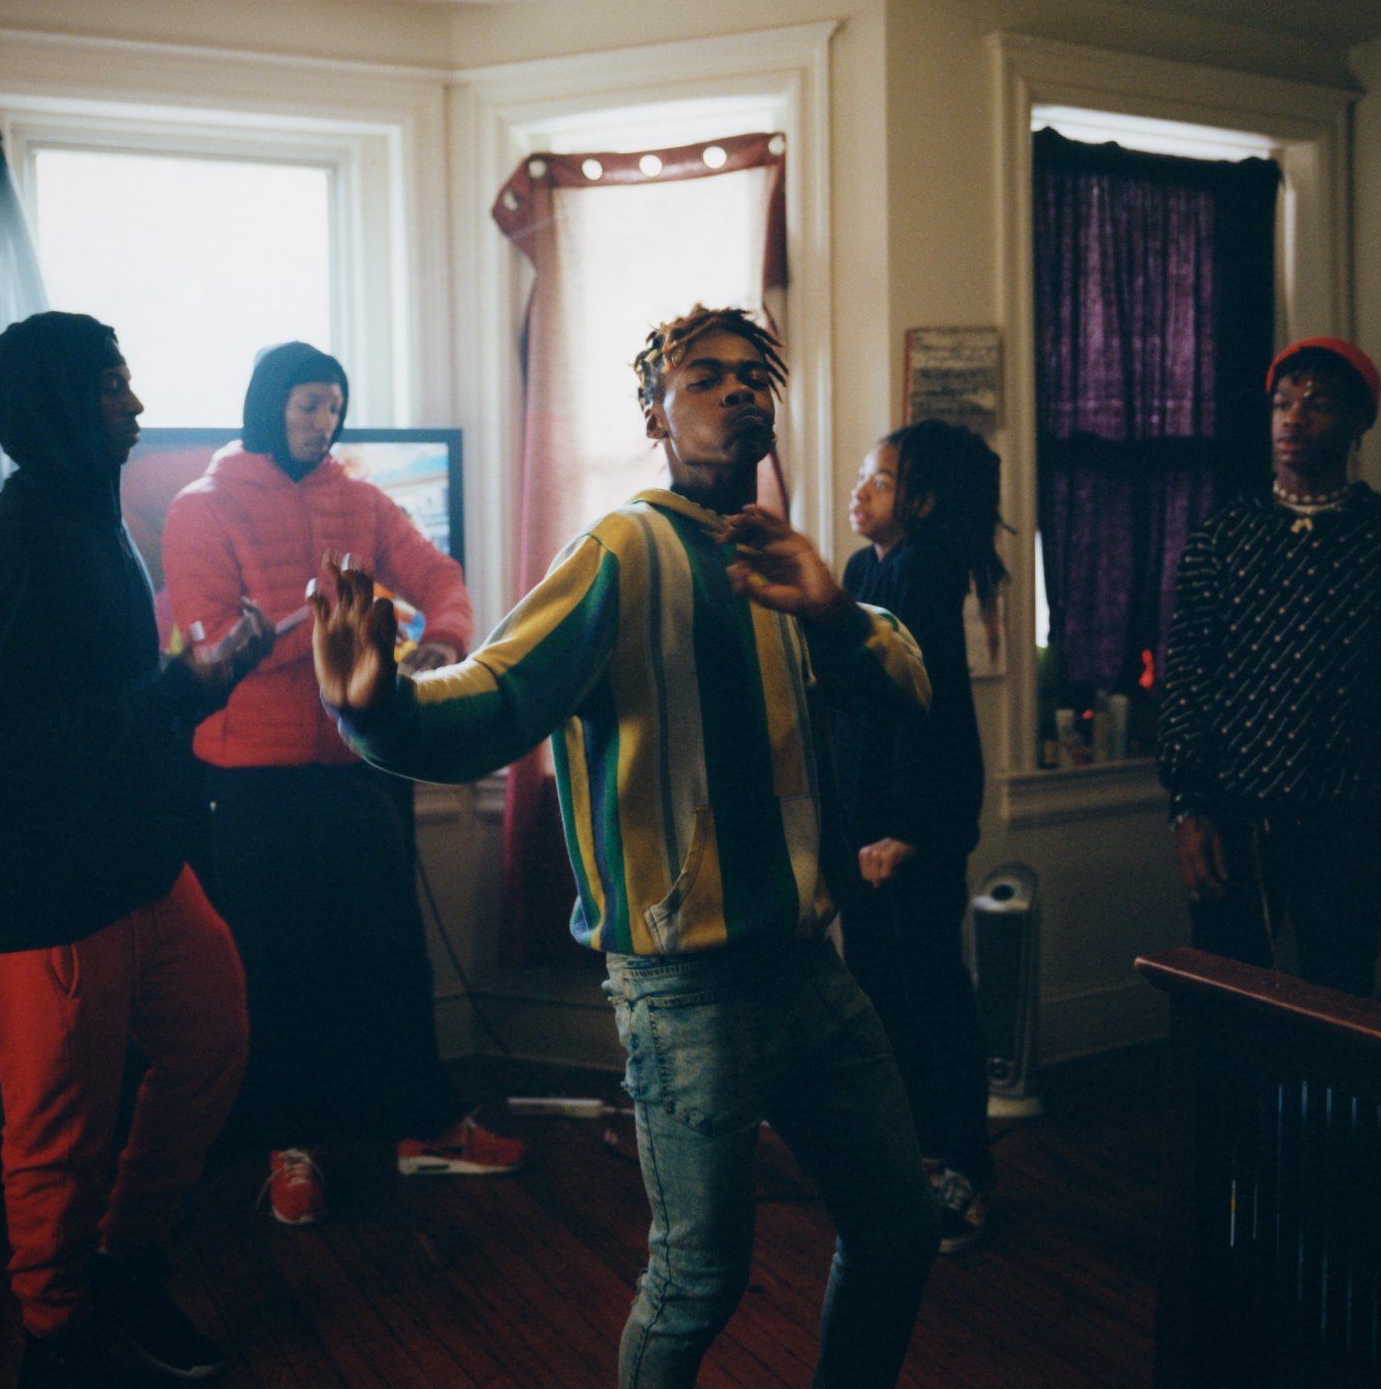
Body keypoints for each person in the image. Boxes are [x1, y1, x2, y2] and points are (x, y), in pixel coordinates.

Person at [308, 305, 941, 1389]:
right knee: (698, 1279)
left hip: (808, 970)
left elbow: (910, 687)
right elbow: (496, 698)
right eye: (704, 378)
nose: (739, 391)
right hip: (682, 987)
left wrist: (834, 611)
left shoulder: (784, 560)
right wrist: (377, 709)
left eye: (754, 377)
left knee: (898, 1228)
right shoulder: (622, 549)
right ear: (654, 412)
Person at [0, 312, 275, 1389]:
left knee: (214, 1032)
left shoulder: (93, 515)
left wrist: (195, 681)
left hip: (134, 864)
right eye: (111, 388)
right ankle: (59, 1337)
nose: (134, 405)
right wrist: (174, 691)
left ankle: (125, 1263)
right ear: (56, 405)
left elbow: (104, 698)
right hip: (47, 892)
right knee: (55, 1135)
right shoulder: (20, 541)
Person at [160, 341, 522, 1228]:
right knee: (274, 972)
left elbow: (438, 577)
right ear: (267, 405)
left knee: (394, 956)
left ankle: (428, 1124)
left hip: (363, 767)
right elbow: (214, 642)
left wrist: (440, 632)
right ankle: (290, 1152)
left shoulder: (360, 499)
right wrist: (346, 633)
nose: (324, 423)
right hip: (251, 783)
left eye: (334, 407)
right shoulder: (198, 508)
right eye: (308, 404)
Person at [1157, 336, 1381, 997]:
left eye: (1318, 406)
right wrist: (1187, 806)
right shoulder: (1222, 540)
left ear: (1358, 423)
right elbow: (1187, 679)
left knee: (1337, 1009)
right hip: (1230, 822)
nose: (1293, 419)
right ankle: (1231, 1107)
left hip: (1344, 828)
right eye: (1282, 404)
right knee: (1226, 1008)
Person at [834, 419, 1006, 1254]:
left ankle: (965, 1172)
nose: (859, 491)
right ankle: (914, 1160)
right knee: (878, 996)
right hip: (863, 827)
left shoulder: (925, 571)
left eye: (879, 480)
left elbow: (927, 715)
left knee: (933, 995)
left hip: (915, 830)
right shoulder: (866, 567)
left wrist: (903, 831)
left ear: (925, 501)